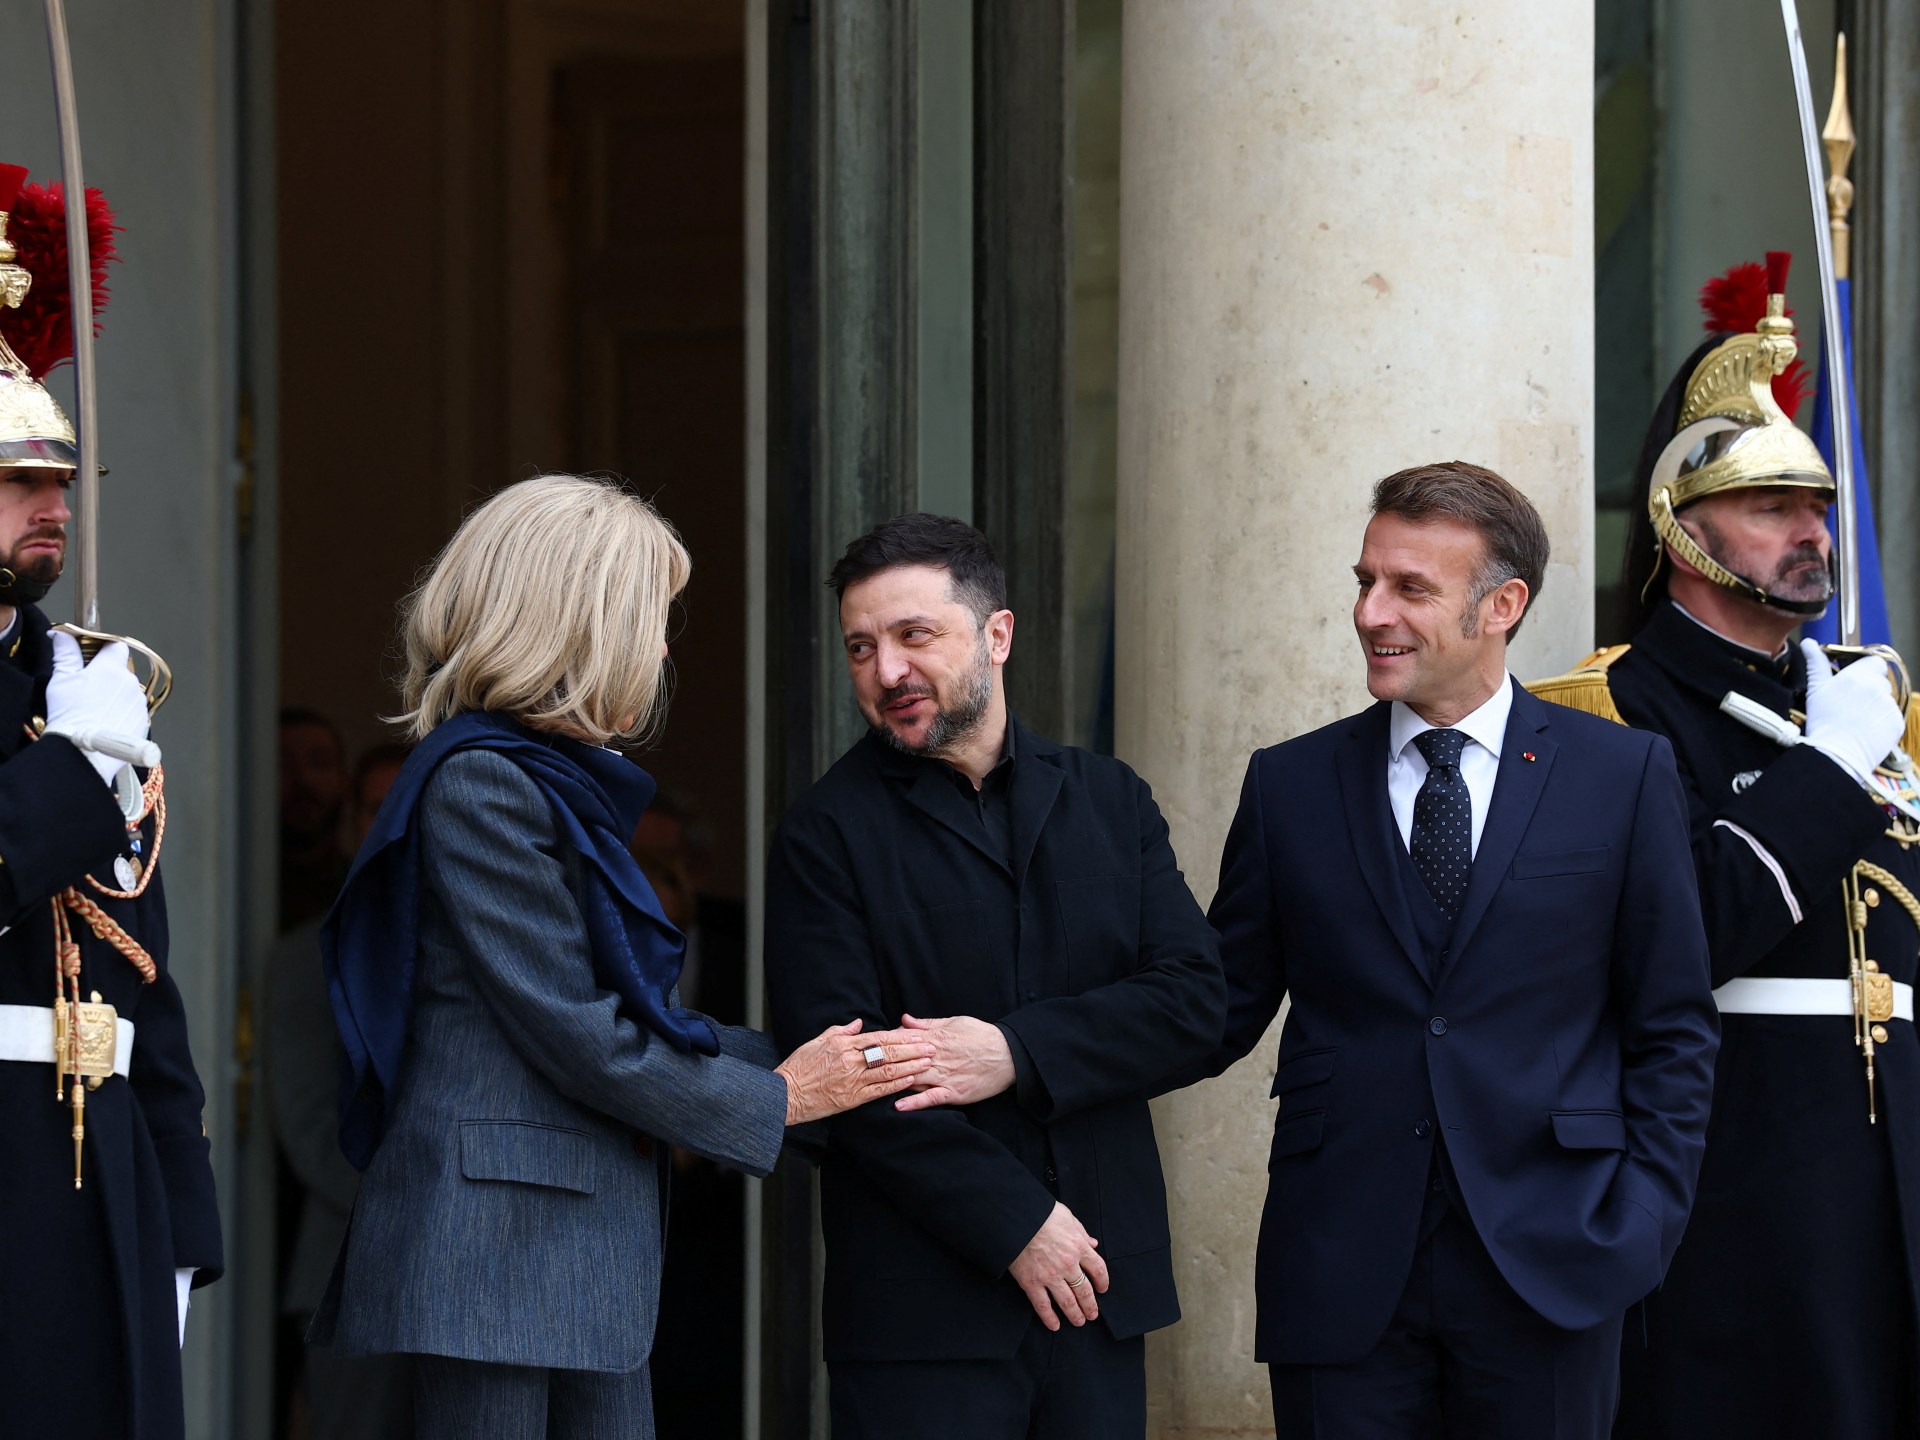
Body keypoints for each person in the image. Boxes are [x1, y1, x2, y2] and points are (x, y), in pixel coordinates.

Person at [308, 474, 932, 1440]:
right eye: (649, 618)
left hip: (559, 1246)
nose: (662, 649)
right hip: (500, 1255)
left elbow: (620, 1015)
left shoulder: (536, 777)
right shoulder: (483, 783)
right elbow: (579, 1030)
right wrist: (782, 1097)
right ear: (578, 624)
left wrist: (823, 1067)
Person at [1200, 462, 1719, 1438]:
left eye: (1410, 588)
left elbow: (1674, 1027)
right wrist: (1026, 1050)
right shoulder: (1288, 785)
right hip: (1340, 1268)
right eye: (1366, 581)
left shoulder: (1622, 774)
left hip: (1558, 1264)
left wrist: (1641, 1225)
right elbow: (1208, 1010)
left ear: (1502, 607)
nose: (1371, 613)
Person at [1530, 258, 1920, 1438]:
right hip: (1732, 1173)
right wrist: (1830, 773)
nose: (1813, 533)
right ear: (1682, 528)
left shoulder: (1868, 706)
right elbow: (1675, 937)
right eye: (1772, 509)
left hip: (1892, 1169)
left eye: (1818, 508)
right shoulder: (1603, 714)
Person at [764, 513, 1225, 1439]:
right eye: (861, 647)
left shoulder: (1111, 799)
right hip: (920, 1320)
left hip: (1098, 1292)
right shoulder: (824, 833)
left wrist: (1016, 1051)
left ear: (997, 634)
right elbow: (847, 1077)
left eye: (914, 635)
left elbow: (1194, 1004)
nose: (887, 671)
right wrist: (1018, 1223)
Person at [0, 162, 222, 1439]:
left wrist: (181, 1221)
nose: (56, 505)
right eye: (19, 478)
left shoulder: (81, 682)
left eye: (63, 477)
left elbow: (144, 970)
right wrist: (70, 781)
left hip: (106, 1177)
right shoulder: (81, 726)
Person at [267, 741, 414, 1439]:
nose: (393, 823)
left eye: (407, 806)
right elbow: (309, 1127)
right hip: (348, 1269)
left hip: (471, 1277)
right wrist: (425, 1199)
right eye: (376, 807)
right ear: (353, 824)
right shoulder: (306, 953)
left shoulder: (478, 938)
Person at [278, 707, 351, 930]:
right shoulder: (236, 890)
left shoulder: (363, 891)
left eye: (320, 763)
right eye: (283, 765)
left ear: (344, 781)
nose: (303, 778)